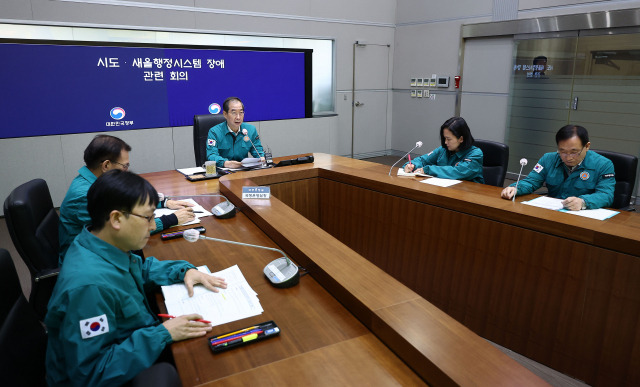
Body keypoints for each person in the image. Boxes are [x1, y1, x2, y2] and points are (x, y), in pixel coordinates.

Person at [45, 170, 228, 386]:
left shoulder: (101, 243)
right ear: (116, 219)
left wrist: (184, 270)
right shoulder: (89, 288)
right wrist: (161, 334)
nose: (152, 226)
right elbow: (92, 374)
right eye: (148, 218)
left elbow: (139, 269)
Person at [59, 135, 195, 260]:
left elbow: (124, 202)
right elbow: (126, 230)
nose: (127, 171)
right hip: (88, 260)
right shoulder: (85, 195)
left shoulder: (97, 181)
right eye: (125, 166)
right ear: (106, 165)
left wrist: (164, 203)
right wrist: (172, 219)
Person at [501, 125, 615, 210]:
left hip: (582, 216)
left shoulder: (603, 165)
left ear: (587, 146)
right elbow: (532, 181)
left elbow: (606, 195)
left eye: (574, 152)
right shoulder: (548, 159)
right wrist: (516, 188)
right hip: (553, 213)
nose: (568, 157)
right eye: (562, 151)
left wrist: (583, 202)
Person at [403, 116, 484, 183]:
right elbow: (423, 160)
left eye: (449, 139)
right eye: (444, 138)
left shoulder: (475, 154)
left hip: (469, 195)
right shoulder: (443, 150)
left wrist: (428, 170)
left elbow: (457, 172)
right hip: (445, 192)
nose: (445, 142)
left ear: (461, 139)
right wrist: (412, 165)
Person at [206, 96, 264, 168]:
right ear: (225, 114)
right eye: (234, 113)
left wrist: (261, 157)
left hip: (244, 171)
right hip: (223, 172)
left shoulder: (251, 130)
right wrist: (225, 163)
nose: (238, 117)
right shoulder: (215, 132)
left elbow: (258, 151)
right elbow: (211, 155)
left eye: (241, 113)